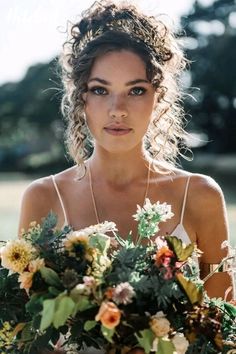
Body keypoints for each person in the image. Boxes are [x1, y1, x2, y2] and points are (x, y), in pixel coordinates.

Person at [18, 0, 232, 352]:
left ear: (157, 98)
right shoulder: (43, 198)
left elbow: (222, 334)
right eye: (100, 90)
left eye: (136, 90)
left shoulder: (200, 196)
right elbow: (27, 334)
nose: (117, 110)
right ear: (81, 99)